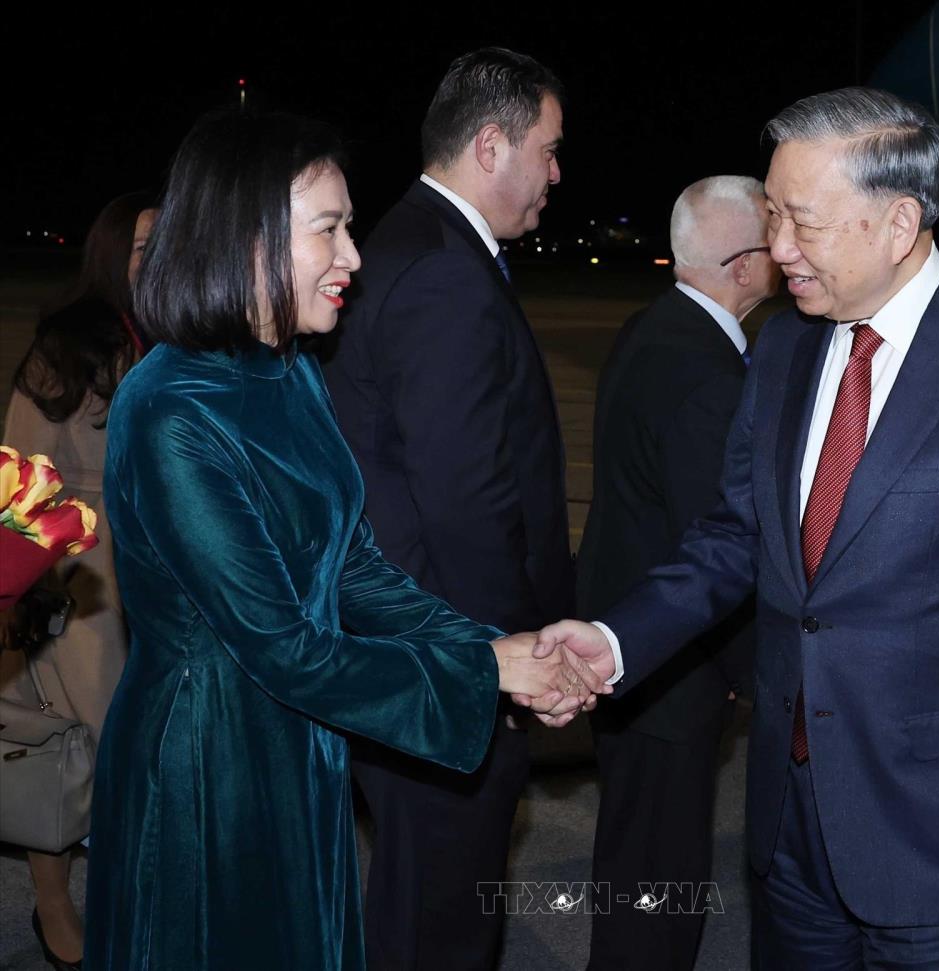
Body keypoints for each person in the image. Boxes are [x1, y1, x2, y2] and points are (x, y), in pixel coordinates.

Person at [537, 87, 939, 970]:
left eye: (801, 220)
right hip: (790, 822)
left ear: (898, 222)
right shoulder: (783, 349)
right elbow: (736, 535)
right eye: (773, 216)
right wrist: (615, 641)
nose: (778, 249)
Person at [81, 108, 600, 971]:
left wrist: (494, 646)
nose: (354, 257)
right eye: (329, 229)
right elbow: (285, 647)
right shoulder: (171, 410)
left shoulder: (289, 371)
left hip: (300, 742)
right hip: (211, 766)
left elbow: (355, 568)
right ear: (247, 238)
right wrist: (489, 670)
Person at [322, 47, 573, 970]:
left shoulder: (421, 243)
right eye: (549, 149)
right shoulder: (441, 269)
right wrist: (504, 662)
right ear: (491, 145)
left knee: (416, 895)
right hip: (446, 660)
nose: (556, 173)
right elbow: (465, 501)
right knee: (443, 916)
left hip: (409, 647)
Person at [577, 175, 777, 971]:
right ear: (744, 264)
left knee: (634, 848)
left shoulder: (652, 327)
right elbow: (716, 545)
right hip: (668, 657)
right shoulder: (708, 374)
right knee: (660, 869)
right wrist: (745, 672)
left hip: (626, 627)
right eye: (775, 239)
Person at [1, 189, 155, 970]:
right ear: (110, 254)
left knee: (145, 752)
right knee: (68, 749)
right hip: (85, 582)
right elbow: (23, 481)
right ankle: (54, 904)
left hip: (161, 574)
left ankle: (133, 894)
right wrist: (27, 595)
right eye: (143, 246)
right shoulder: (65, 347)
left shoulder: (181, 329)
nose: (158, 260)